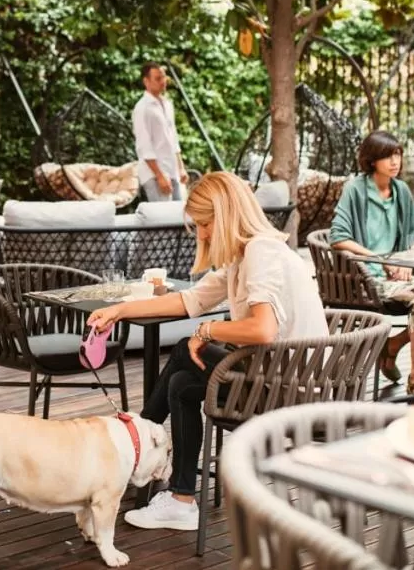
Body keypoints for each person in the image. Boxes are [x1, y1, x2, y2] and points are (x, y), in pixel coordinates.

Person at [87, 171, 328, 531]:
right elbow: (189, 300)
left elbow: (263, 329)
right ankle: (181, 498)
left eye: (204, 223)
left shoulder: (262, 252)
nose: (201, 233)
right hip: (278, 378)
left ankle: (137, 433)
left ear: (227, 213)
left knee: (187, 349)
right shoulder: (245, 256)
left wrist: (209, 330)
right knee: (182, 384)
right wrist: (119, 310)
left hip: (292, 391)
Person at [329, 130, 414, 396]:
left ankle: (393, 346)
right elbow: (338, 237)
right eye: (387, 156)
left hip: (399, 276)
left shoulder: (400, 190)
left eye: (397, 155)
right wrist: (379, 260)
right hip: (366, 277)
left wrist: (405, 260)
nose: (395, 162)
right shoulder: (355, 190)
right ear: (371, 160)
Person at [132, 62, 188, 202]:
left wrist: (181, 167)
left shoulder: (167, 103)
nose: (163, 82)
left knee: (180, 215)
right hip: (154, 173)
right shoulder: (142, 108)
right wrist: (159, 175)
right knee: (164, 217)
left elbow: (173, 138)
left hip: (172, 168)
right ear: (146, 81)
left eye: (164, 78)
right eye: (158, 78)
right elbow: (144, 146)